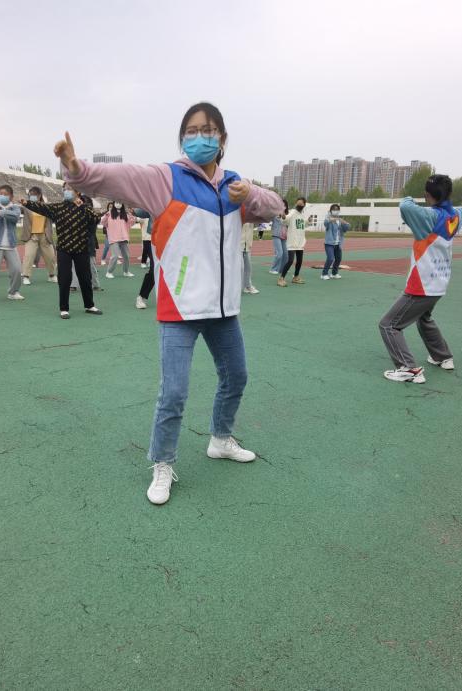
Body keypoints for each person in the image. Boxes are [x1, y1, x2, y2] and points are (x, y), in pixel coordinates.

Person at [57, 101, 284, 505]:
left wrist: (250, 192)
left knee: (236, 377)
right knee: (174, 393)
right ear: (182, 138)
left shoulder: (234, 186)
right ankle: (162, 462)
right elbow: (116, 178)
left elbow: (275, 207)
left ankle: (220, 439)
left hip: (223, 310)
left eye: (208, 130)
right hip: (179, 308)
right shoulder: (166, 179)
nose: (200, 137)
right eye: (191, 131)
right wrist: (76, 169)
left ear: (222, 138)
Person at [378, 175, 462, 383]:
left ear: (427, 195)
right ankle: (442, 356)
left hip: (421, 285)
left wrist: (410, 197)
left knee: (388, 325)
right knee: (424, 318)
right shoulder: (456, 215)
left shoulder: (428, 216)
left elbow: (405, 206)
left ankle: (408, 368)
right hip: (439, 283)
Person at [22, 183, 103, 318]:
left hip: (81, 248)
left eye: (69, 189)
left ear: (77, 192)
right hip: (64, 249)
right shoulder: (58, 207)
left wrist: (82, 206)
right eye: (64, 189)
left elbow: (96, 219)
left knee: (85, 278)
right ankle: (64, 308)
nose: (66, 191)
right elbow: (42, 207)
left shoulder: (84, 207)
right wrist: (27, 203)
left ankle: (89, 305)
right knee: (64, 278)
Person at [20, 186, 57, 285]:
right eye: (31, 194)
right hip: (31, 235)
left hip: (45, 235)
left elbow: (53, 215)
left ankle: (52, 275)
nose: (32, 196)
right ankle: (26, 276)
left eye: (35, 194)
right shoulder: (26, 206)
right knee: (29, 256)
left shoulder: (46, 206)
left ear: (40, 195)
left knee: (50, 256)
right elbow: (18, 209)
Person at [102, 201, 137, 278]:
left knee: (126, 256)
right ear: (114, 204)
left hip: (124, 238)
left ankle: (126, 271)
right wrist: (106, 215)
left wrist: (130, 214)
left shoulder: (125, 214)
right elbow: (103, 222)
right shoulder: (110, 214)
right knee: (115, 256)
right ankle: (109, 272)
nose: (118, 204)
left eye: (120, 202)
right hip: (114, 238)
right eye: (117, 202)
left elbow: (132, 222)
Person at [279, 197, 307, 286]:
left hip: (300, 241)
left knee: (299, 261)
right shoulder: (293, 212)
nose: (299, 205)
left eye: (301, 204)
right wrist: (283, 217)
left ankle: (296, 277)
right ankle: (281, 278)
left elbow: (304, 224)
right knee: (290, 261)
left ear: (304, 205)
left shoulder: (302, 215)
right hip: (292, 241)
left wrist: (309, 221)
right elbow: (286, 219)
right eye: (298, 203)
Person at [134, 207, 155, 309]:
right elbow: (139, 212)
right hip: (156, 239)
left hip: (175, 239)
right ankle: (142, 296)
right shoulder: (158, 202)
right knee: (154, 269)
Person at [322, 204, 350, 279]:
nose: (335, 211)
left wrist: (345, 223)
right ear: (331, 211)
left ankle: (334, 273)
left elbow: (347, 228)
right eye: (334, 209)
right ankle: (324, 274)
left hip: (338, 243)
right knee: (330, 258)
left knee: (338, 259)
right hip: (329, 243)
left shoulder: (340, 220)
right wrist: (331, 219)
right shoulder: (328, 218)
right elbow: (325, 223)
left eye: (337, 209)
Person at [269, 200, 288, 275]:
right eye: (282, 205)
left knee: (286, 255)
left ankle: (282, 269)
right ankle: (273, 269)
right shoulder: (275, 213)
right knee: (279, 253)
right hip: (276, 235)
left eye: (284, 205)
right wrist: (278, 215)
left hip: (284, 236)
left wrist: (285, 217)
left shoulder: (288, 215)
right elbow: (270, 218)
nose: (283, 206)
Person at [241, 220, 259, 294]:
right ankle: (242, 286)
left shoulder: (251, 217)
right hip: (238, 245)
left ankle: (247, 286)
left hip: (247, 245)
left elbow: (256, 224)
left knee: (248, 268)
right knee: (239, 268)